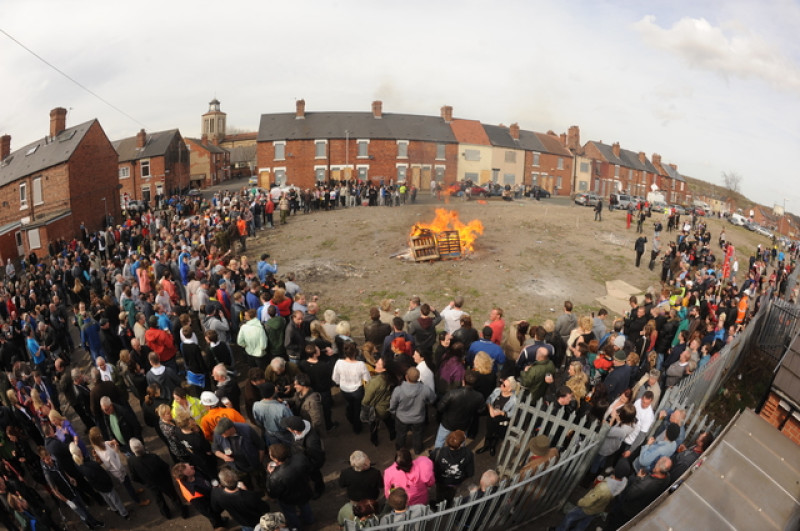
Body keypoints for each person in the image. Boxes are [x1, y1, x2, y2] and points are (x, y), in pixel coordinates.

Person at [39, 446, 105, 529]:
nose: (50, 461)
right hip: (68, 497)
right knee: (82, 513)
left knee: (84, 508)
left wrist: (70, 478)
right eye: (47, 460)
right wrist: (67, 501)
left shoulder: (55, 462)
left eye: (49, 458)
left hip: (73, 490)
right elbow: (55, 491)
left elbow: (62, 471)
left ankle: (92, 523)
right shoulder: (48, 474)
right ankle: (91, 523)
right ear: (43, 460)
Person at [556, 460, 630, 531]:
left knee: (569, 517)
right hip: (599, 508)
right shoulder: (624, 482)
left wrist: (580, 502)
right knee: (585, 522)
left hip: (588, 508)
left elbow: (589, 501)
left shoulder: (603, 488)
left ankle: (560, 529)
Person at [127, 438, 189, 520]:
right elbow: (165, 466)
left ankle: (167, 514)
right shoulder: (153, 457)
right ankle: (183, 513)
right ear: (142, 447)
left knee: (159, 500)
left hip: (150, 484)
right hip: (163, 481)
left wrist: (145, 482)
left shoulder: (131, 461)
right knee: (173, 497)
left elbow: (134, 477)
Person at [265, 442, 314, 530]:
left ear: (275, 459)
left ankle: (296, 527)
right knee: (305, 506)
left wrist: (270, 474)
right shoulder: (300, 458)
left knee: (290, 513)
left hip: (288, 499)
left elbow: (273, 493)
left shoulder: (275, 476)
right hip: (304, 490)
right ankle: (309, 520)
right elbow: (309, 469)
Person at [390, 367, 436, 454]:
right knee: (417, 435)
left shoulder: (398, 390)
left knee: (401, 434)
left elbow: (392, 405)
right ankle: (417, 450)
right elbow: (432, 399)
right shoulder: (425, 389)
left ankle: (400, 449)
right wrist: (425, 402)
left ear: (406, 377)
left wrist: (393, 412)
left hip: (402, 418)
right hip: (418, 419)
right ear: (418, 378)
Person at [210, 465, 270, 531]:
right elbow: (266, 508)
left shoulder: (216, 493)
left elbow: (216, 509)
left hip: (241, 521)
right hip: (256, 521)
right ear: (237, 480)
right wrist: (245, 491)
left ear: (222, 483)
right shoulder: (250, 496)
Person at [434, 371, 485, 448]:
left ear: (463, 381)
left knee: (440, 441)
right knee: (461, 443)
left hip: (447, 423)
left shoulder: (452, 393)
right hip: (464, 425)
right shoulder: (479, 396)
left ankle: (435, 457)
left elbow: (440, 408)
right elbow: (481, 410)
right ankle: (459, 457)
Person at [280, 415, 326, 499]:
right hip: (303, 461)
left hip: (310, 465)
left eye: (288, 428)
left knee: (316, 477)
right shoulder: (300, 433)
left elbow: (317, 459)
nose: (287, 429)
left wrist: (310, 468)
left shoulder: (311, 442)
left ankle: (319, 489)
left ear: (295, 431)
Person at [172, 462, 226, 529]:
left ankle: (221, 520)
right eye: (190, 468)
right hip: (209, 505)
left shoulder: (193, 473)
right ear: (187, 475)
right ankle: (219, 525)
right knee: (215, 518)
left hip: (211, 495)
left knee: (217, 517)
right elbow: (208, 512)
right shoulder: (195, 496)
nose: (192, 466)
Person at [332, 341, 370, 434]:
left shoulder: (339, 363)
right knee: (357, 408)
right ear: (356, 352)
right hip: (357, 390)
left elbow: (334, 378)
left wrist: (339, 383)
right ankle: (357, 428)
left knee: (349, 405)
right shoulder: (361, 364)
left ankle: (350, 417)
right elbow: (367, 379)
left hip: (344, 389)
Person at [478, 376, 519, 456]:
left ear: (509, 389)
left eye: (504, 385)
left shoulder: (514, 400)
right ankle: (486, 446)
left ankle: (492, 447)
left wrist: (501, 413)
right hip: (491, 416)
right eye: (502, 383)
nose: (501, 385)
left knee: (497, 434)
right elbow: (489, 400)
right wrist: (490, 409)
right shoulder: (497, 390)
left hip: (501, 420)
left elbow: (513, 414)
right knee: (488, 432)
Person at [431, 430, 474, 503]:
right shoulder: (468, 454)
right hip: (455, 482)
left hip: (440, 480)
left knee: (439, 493)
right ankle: (447, 504)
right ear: (460, 444)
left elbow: (430, 464)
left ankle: (438, 504)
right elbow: (470, 472)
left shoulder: (438, 452)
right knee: (450, 495)